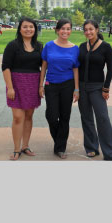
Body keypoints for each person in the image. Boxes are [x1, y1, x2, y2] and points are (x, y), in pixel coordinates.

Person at [1, 18, 43, 160]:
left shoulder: (39, 46)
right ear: (20, 29)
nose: (28, 29)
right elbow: (5, 67)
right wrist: (10, 88)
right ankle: (16, 148)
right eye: (25, 27)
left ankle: (25, 146)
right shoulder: (13, 46)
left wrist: (41, 85)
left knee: (29, 116)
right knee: (18, 117)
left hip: (33, 83)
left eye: (31, 27)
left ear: (35, 29)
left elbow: (43, 67)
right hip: (16, 84)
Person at [79, 20, 112, 160]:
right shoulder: (82, 47)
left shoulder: (106, 47)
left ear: (96, 29)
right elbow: (78, 67)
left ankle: (111, 152)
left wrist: (106, 88)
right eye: (86, 30)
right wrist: (76, 88)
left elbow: (110, 69)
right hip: (82, 87)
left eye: (91, 29)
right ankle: (91, 148)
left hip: (97, 87)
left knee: (102, 118)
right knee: (86, 118)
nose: (88, 32)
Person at [40, 19, 80, 159]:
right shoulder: (49, 46)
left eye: (68, 29)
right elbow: (44, 66)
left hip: (68, 85)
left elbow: (75, 69)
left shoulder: (75, 48)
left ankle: (60, 147)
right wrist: (41, 85)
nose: (65, 31)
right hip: (51, 84)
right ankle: (59, 140)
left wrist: (77, 89)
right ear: (57, 30)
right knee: (51, 115)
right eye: (62, 28)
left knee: (64, 116)